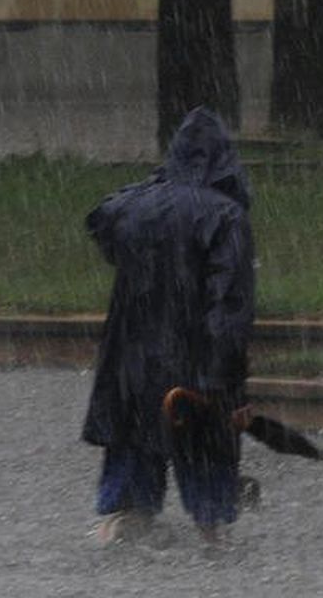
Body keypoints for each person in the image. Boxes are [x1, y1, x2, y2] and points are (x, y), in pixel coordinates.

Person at [81, 107, 256, 544]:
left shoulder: (136, 207)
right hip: (195, 356)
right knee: (205, 441)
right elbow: (229, 304)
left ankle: (127, 517)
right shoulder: (226, 217)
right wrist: (228, 376)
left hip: (133, 356)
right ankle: (211, 526)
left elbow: (102, 219)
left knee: (134, 435)